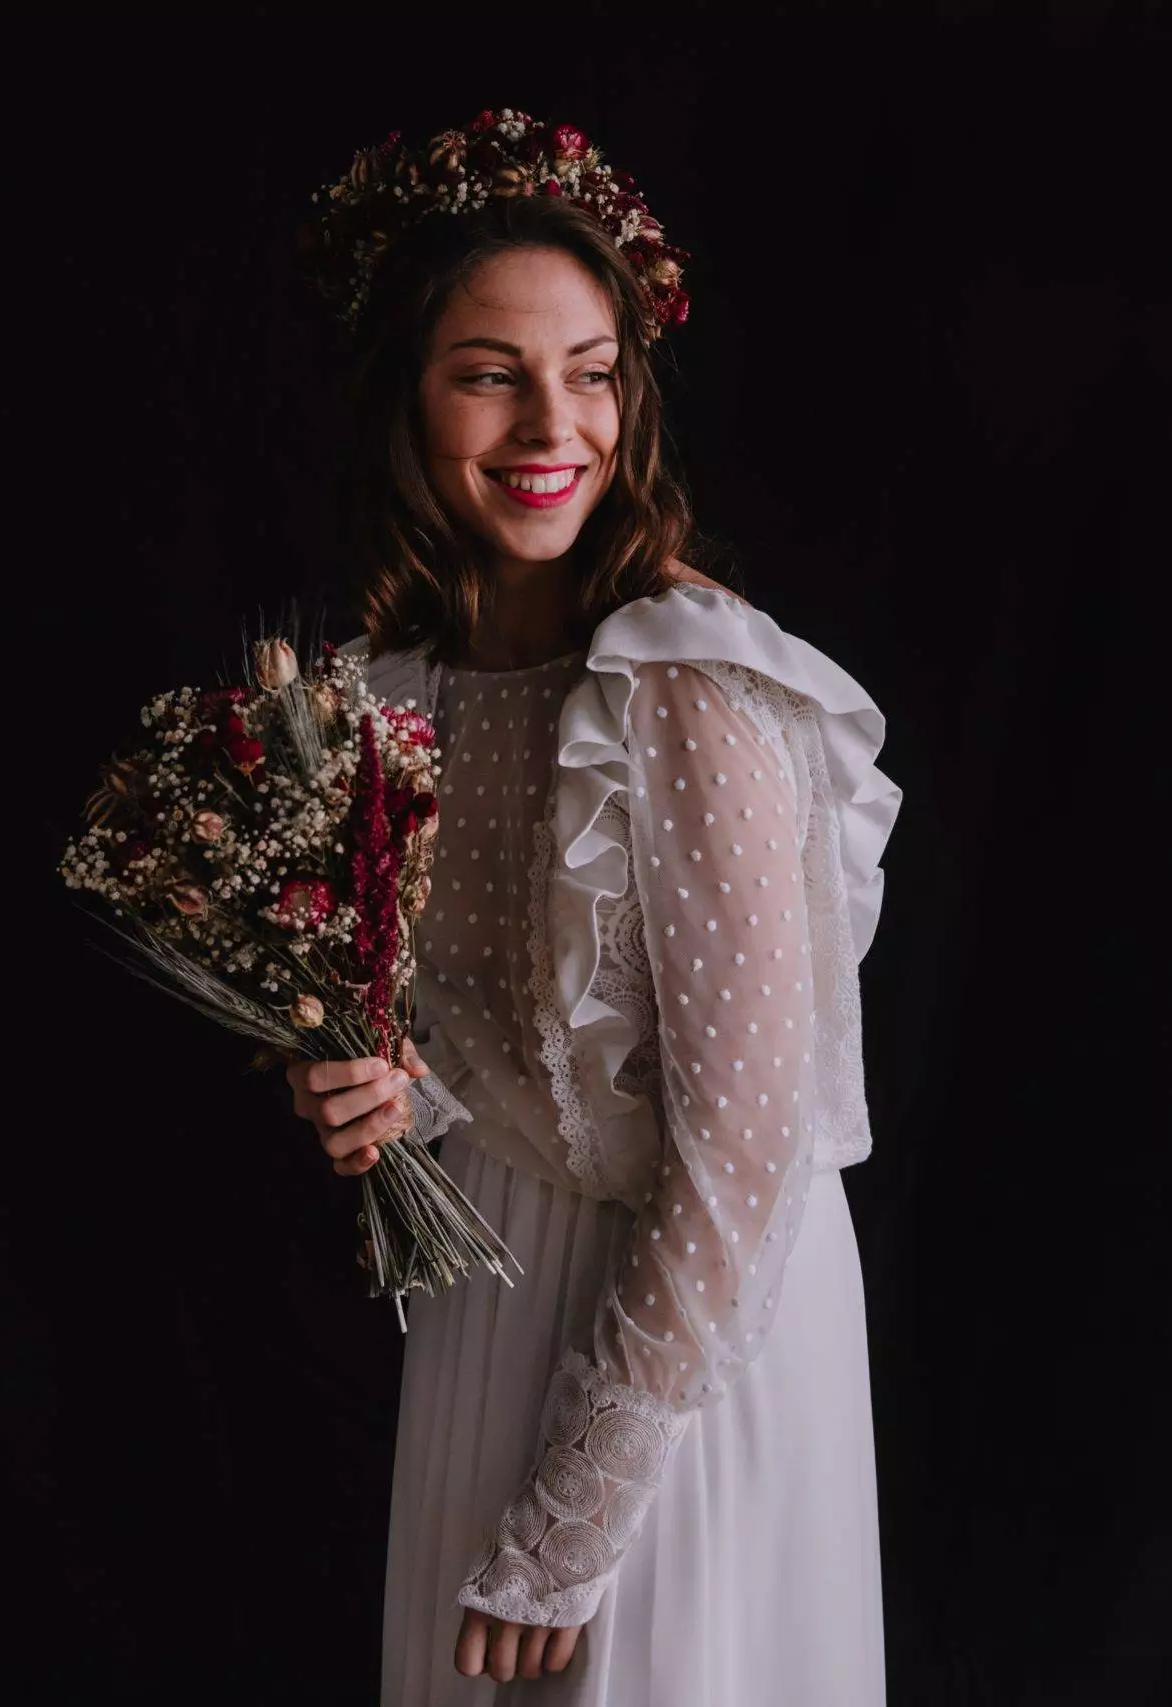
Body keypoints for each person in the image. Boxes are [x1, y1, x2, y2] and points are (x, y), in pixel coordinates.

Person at [282, 110, 900, 1703]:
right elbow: (491, 1064)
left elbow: (746, 1155)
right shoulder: (390, 703)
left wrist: (576, 1509)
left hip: (683, 1343)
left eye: (593, 368)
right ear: (407, 402)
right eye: (491, 371)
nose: (553, 419)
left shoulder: (684, 686)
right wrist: (379, 1100)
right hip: (493, 1300)